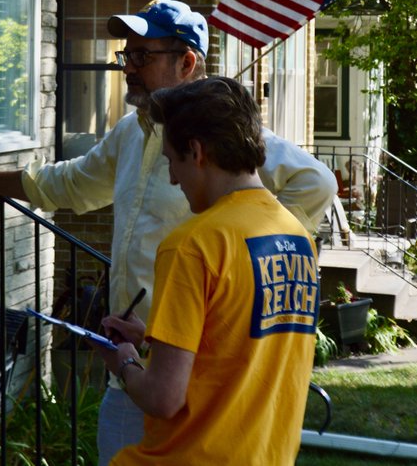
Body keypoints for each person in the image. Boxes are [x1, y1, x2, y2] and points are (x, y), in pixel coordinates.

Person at [0, 0, 335, 463]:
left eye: (142, 56)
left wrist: (241, 246)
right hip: (138, 360)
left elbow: (317, 182)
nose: (128, 67)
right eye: (126, 55)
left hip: (198, 376)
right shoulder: (130, 133)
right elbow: (69, 183)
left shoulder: (225, 144)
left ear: (187, 62)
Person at [92, 77, 319, 465]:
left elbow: (163, 399)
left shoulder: (191, 244)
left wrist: (124, 361)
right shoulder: (296, 237)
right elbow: (237, 347)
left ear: (196, 152)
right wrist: (151, 340)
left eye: (171, 161)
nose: (172, 178)